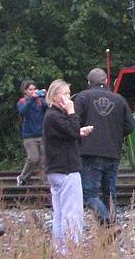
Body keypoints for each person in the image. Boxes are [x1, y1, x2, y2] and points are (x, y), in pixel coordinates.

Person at [74, 67, 135, 225]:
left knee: (90, 194)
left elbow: (74, 123)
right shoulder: (119, 99)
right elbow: (130, 125)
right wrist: (116, 135)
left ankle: (106, 220)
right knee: (110, 193)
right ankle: (112, 224)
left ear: (89, 82)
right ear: (106, 81)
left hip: (89, 151)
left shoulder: (82, 97)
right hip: (112, 152)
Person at [44, 78, 93, 255]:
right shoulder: (55, 115)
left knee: (60, 213)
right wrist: (72, 112)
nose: (68, 98)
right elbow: (71, 130)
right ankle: (71, 250)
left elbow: (67, 133)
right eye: (65, 94)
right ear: (56, 96)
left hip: (56, 169)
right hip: (66, 169)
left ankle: (60, 249)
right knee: (72, 212)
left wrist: (79, 132)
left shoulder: (52, 116)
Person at [16, 79, 47, 186]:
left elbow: (48, 108)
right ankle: (23, 177)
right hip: (29, 136)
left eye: (34, 89)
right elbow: (23, 111)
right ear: (25, 91)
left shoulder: (40, 101)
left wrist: (45, 96)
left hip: (41, 134)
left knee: (44, 159)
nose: (33, 91)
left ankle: (44, 181)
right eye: (30, 89)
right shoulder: (22, 101)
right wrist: (32, 99)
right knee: (33, 158)